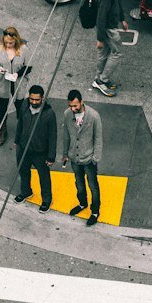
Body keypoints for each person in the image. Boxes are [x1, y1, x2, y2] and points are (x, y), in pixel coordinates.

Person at [58, 88, 102, 225]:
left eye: (75, 105)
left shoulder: (94, 116)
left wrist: (95, 158)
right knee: (79, 183)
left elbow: (98, 138)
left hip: (89, 158)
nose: (73, 109)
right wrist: (65, 154)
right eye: (70, 106)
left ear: (82, 102)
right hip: (74, 158)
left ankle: (95, 211)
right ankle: (82, 203)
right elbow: (66, 135)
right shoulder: (67, 114)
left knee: (93, 185)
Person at [13, 83, 57, 210]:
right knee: (23, 171)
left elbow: (53, 136)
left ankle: (47, 200)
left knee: (44, 177)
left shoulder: (49, 114)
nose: (33, 101)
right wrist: (17, 140)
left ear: (42, 98)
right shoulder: (25, 105)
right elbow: (20, 123)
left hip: (40, 152)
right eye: (32, 98)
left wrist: (51, 157)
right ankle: (26, 192)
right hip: (23, 147)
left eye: (37, 99)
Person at [92, 0, 130, 97]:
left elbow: (117, 3)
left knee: (104, 53)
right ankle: (102, 80)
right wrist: (100, 39)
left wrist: (122, 18)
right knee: (117, 53)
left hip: (107, 27)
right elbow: (100, 19)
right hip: (108, 29)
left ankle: (98, 78)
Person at [0, 26, 29, 146]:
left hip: (18, 81)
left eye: (11, 43)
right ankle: (2, 129)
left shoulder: (24, 49)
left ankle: (22, 130)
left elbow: (29, 67)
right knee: (3, 106)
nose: (8, 45)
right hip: (3, 81)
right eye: (6, 42)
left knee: (20, 106)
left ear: (16, 40)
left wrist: (18, 74)